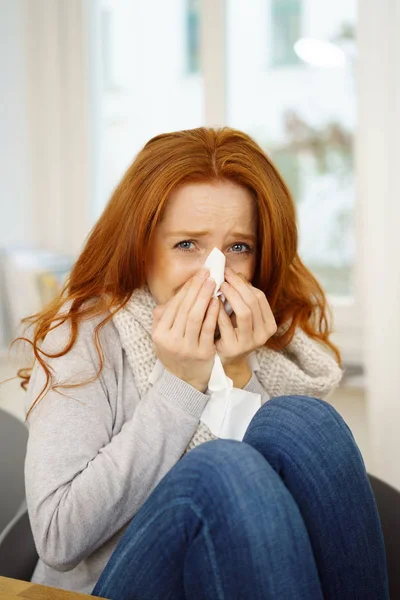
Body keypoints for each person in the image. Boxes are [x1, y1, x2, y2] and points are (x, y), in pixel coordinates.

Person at [18, 127, 389, 599]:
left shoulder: (266, 343)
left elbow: (279, 528)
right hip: (107, 587)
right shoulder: (85, 337)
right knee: (221, 470)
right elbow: (57, 537)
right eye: (187, 244)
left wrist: (239, 373)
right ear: (141, 245)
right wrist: (180, 383)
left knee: (305, 419)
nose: (215, 274)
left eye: (238, 248)